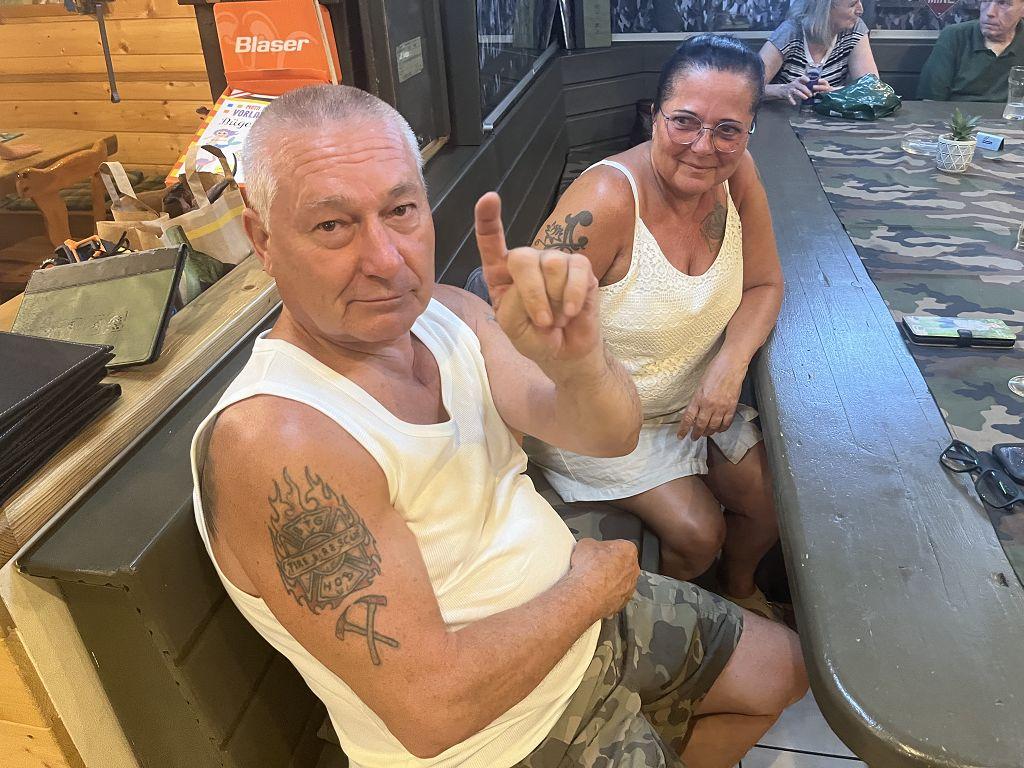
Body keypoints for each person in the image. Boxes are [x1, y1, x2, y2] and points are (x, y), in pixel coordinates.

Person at [190, 84, 807, 768]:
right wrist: (585, 593)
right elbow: (432, 711)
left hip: (585, 623)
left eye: (400, 211)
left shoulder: (449, 314)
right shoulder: (280, 440)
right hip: (505, 735)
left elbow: (612, 437)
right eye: (333, 226)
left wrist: (581, 365)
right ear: (262, 238)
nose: (387, 261)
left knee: (783, 670)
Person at [525, 35, 784, 618]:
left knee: (771, 500)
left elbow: (766, 285)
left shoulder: (738, 176)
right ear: (655, 115)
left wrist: (730, 365)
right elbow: (522, 332)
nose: (703, 146)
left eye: (728, 130)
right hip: (595, 419)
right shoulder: (606, 201)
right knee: (698, 532)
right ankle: (663, 620)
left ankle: (737, 591)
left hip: (691, 403)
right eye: (684, 122)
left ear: (749, 132)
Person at [760, 0, 879, 105]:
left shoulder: (854, 29)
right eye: (852, 4)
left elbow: (872, 88)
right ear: (826, 8)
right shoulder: (790, 32)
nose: (860, 10)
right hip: (784, 116)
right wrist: (783, 90)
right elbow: (750, 87)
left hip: (831, 119)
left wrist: (832, 92)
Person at [917, 0, 1024, 102]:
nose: (990, 12)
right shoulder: (955, 36)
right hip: (956, 113)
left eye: (1003, 3)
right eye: (985, 1)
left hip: (1013, 114)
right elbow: (930, 101)